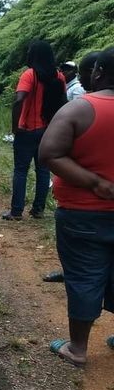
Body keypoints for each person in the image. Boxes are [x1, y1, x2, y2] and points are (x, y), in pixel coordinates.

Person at [39, 47, 114, 367]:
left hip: (83, 214)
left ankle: (78, 348)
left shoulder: (79, 109)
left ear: (97, 71)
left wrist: (94, 183)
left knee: (83, 276)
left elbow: (50, 154)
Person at [43, 51, 103, 284]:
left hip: (88, 193)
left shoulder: (81, 100)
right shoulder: (84, 96)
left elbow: (53, 153)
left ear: (95, 73)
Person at [2, 40, 67, 221]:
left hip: (27, 130)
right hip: (49, 131)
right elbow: (63, 103)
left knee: (21, 170)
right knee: (43, 170)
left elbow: (18, 100)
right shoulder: (59, 76)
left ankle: (16, 212)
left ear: (33, 55)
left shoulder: (30, 75)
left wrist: (15, 127)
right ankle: (38, 210)